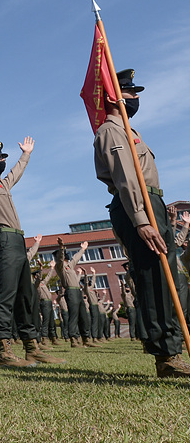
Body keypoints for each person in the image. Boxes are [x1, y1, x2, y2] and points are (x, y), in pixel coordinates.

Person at [93, 68, 190, 377]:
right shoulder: (111, 130)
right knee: (153, 281)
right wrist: (141, 219)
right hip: (138, 206)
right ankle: (166, 357)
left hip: (152, 203)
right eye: (130, 92)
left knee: (169, 279)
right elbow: (126, 177)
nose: (135, 97)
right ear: (113, 96)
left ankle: (173, 347)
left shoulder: (130, 130)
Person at [0, 111, 63, 367]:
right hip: (4, 240)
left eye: (1, 157)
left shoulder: (3, 184)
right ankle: (4, 351)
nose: (0, 160)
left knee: (26, 296)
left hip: (18, 240)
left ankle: (32, 347)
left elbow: (16, 173)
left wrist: (26, 155)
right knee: (7, 295)